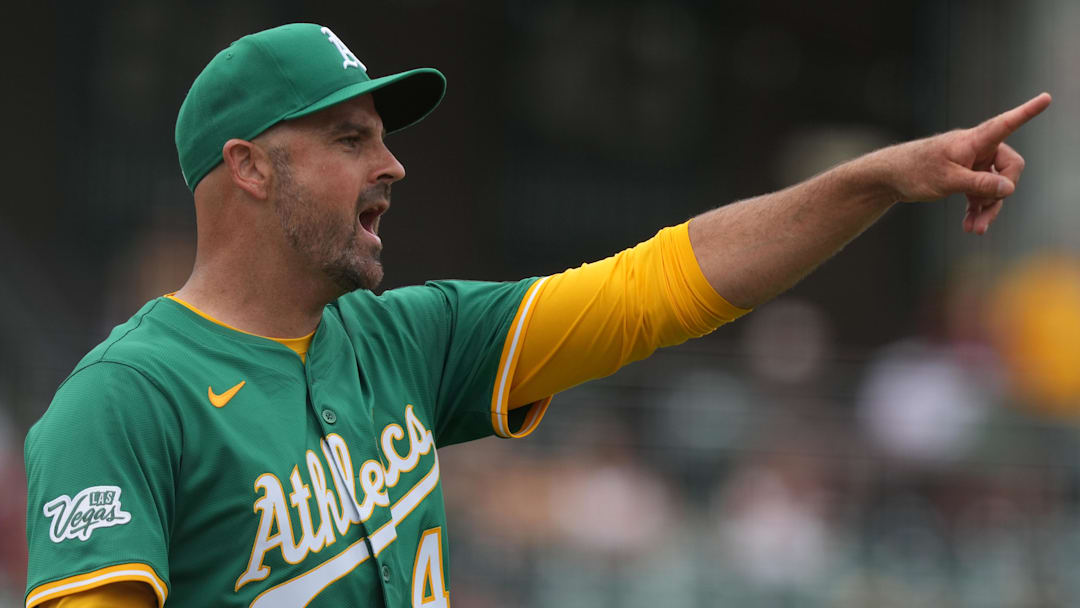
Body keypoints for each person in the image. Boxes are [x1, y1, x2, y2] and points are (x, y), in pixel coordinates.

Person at [22, 22, 1049, 608]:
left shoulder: (411, 337)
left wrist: (871, 181)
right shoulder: (122, 404)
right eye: (348, 137)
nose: (391, 162)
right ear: (246, 167)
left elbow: (659, 287)